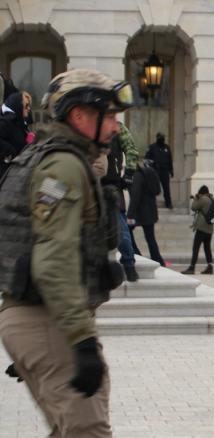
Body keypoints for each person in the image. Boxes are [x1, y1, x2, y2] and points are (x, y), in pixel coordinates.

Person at [0, 68, 134, 437]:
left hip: (41, 317)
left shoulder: (53, 157)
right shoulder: (62, 166)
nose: (115, 127)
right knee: (86, 431)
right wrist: (81, 340)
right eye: (109, 116)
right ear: (79, 115)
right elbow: (53, 256)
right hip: (46, 318)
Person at [101, 121, 140, 281]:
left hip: (111, 181)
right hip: (93, 180)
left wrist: (129, 173)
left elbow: (131, 148)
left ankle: (129, 263)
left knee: (119, 224)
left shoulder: (115, 126)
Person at [127, 159, 166, 266]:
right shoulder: (150, 173)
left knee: (126, 231)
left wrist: (130, 214)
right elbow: (157, 191)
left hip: (140, 212)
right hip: (151, 211)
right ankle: (158, 260)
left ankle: (136, 253)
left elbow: (135, 196)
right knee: (150, 238)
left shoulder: (138, 176)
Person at [181, 185, 214, 275]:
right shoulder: (212, 199)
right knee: (207, 248)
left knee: (196, 247)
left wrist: (195, 199)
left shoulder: (203, 199)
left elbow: (194, 207)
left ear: (201, 193)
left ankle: (192, 267)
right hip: (210, 228)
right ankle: (210, 266)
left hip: (201, 228)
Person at [0, 91, 31, 178]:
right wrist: (10, 152)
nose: (28, 109)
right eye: (26, 106)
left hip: (15, 173)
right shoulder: (6, 121)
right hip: (5, 174)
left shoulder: (20, 122)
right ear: (18, 106)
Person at [145, 132, 173, 209]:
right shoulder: (152, 147)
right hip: (155, 170)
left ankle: (168, 203)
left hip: (165, 171)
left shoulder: (167, 148)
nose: (162, 139)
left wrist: (171, 171)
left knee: (166, 188)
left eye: (163, 137)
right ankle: (151, 203)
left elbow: (170, 160)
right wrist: (149, 169)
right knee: (153, 188)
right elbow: (146, 159)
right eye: (160, 137)